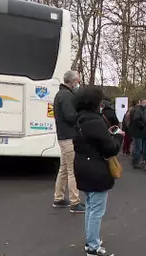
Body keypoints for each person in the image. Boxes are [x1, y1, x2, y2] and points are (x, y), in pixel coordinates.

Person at [72, 86, 123, 256]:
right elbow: (109, 148)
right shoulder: (94, 121)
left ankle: (90, 241)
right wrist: (118, 137)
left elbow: (94, 141)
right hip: (95, 169)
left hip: (83, 166)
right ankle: (93, 247)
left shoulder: (80, 119)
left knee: (90, 207)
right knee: (96, 210)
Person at [52, 70, 85, 213]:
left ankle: (58, 197)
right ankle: (75, 202)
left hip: (63, 136)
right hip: (68, 136)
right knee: (73, 170)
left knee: (64, 169)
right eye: (77, 82)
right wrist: (82, 114)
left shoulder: (61, 94)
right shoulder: (66, 96)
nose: (78, 84)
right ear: (71, 82)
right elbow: (70, 116)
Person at [128, 99, 146, 169]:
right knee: (138, 147)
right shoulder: (139, 110)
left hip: (136, 131)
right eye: (145, 103)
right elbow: (136, 119)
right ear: (141, 103)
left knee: (136, 146)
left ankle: (135, 161)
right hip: (138, 132)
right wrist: (142, 126)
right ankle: (135, 162)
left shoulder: (136, 109)